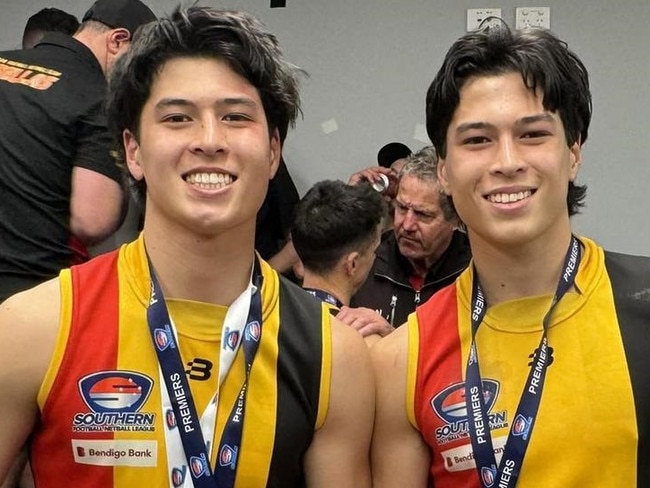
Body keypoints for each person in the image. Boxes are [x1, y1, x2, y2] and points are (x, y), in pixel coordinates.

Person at [0, 6, 374, 488]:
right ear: (133, 151)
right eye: (178, 117)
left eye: (235, 116)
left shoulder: (334, 356)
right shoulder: (34, 326)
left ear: (273, 151)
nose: (210, 140)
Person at [371, 24, 650, 488]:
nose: (506, 161)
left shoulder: (642, 306)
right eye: (477, 140)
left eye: (533, 134)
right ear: (443, 168)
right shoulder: (402, 358)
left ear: (573, 151)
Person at [0, 0, 157, 304]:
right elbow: (92, 219)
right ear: (117, 41)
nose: (138, 82)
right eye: (139, 66)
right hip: (23, 292)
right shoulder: (98, 99)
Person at [350, 146, 471, 328]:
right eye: (402, 208)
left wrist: (394, 343)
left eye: (423, 215)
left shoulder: (476, 273)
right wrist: (351, 200)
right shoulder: (365, 261)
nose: (407, 225)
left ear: (455, 217)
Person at [291, 179, 392, 339]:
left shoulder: (263, 315)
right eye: (374, 251)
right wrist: (391, 340)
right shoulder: (363, 340)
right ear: (353, 264)